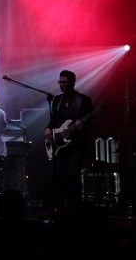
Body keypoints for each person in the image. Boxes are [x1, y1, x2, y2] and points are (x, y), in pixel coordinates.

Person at [43, 69, 94, 209]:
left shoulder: (83, 100)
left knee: (73, 175)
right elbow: (53, 120)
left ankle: (76, 205)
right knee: (58, 175)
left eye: (64, 82)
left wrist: (82, 125)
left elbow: (90, 122)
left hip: (76, 144)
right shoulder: (57, 100)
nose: (61, 85)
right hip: (60, 144)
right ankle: (62, 205)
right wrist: (48, 128)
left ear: (72, 83)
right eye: (60, 82)